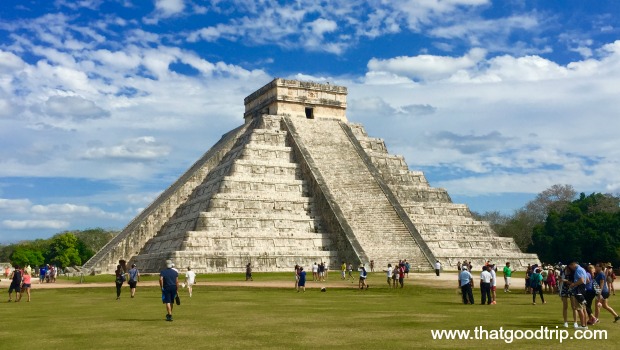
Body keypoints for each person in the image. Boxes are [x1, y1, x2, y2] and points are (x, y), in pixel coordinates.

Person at [568, 261, 589, 329]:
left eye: (571, 266)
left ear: (573, 264)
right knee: (584, 308)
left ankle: (583, 325)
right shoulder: (583, 269)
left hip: (579, 290)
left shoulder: (578, 270)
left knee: (579, 309)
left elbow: (581, 280)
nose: (571, 268)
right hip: (583, 289)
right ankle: (585, 324)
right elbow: (587, 280)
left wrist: (573, 284)